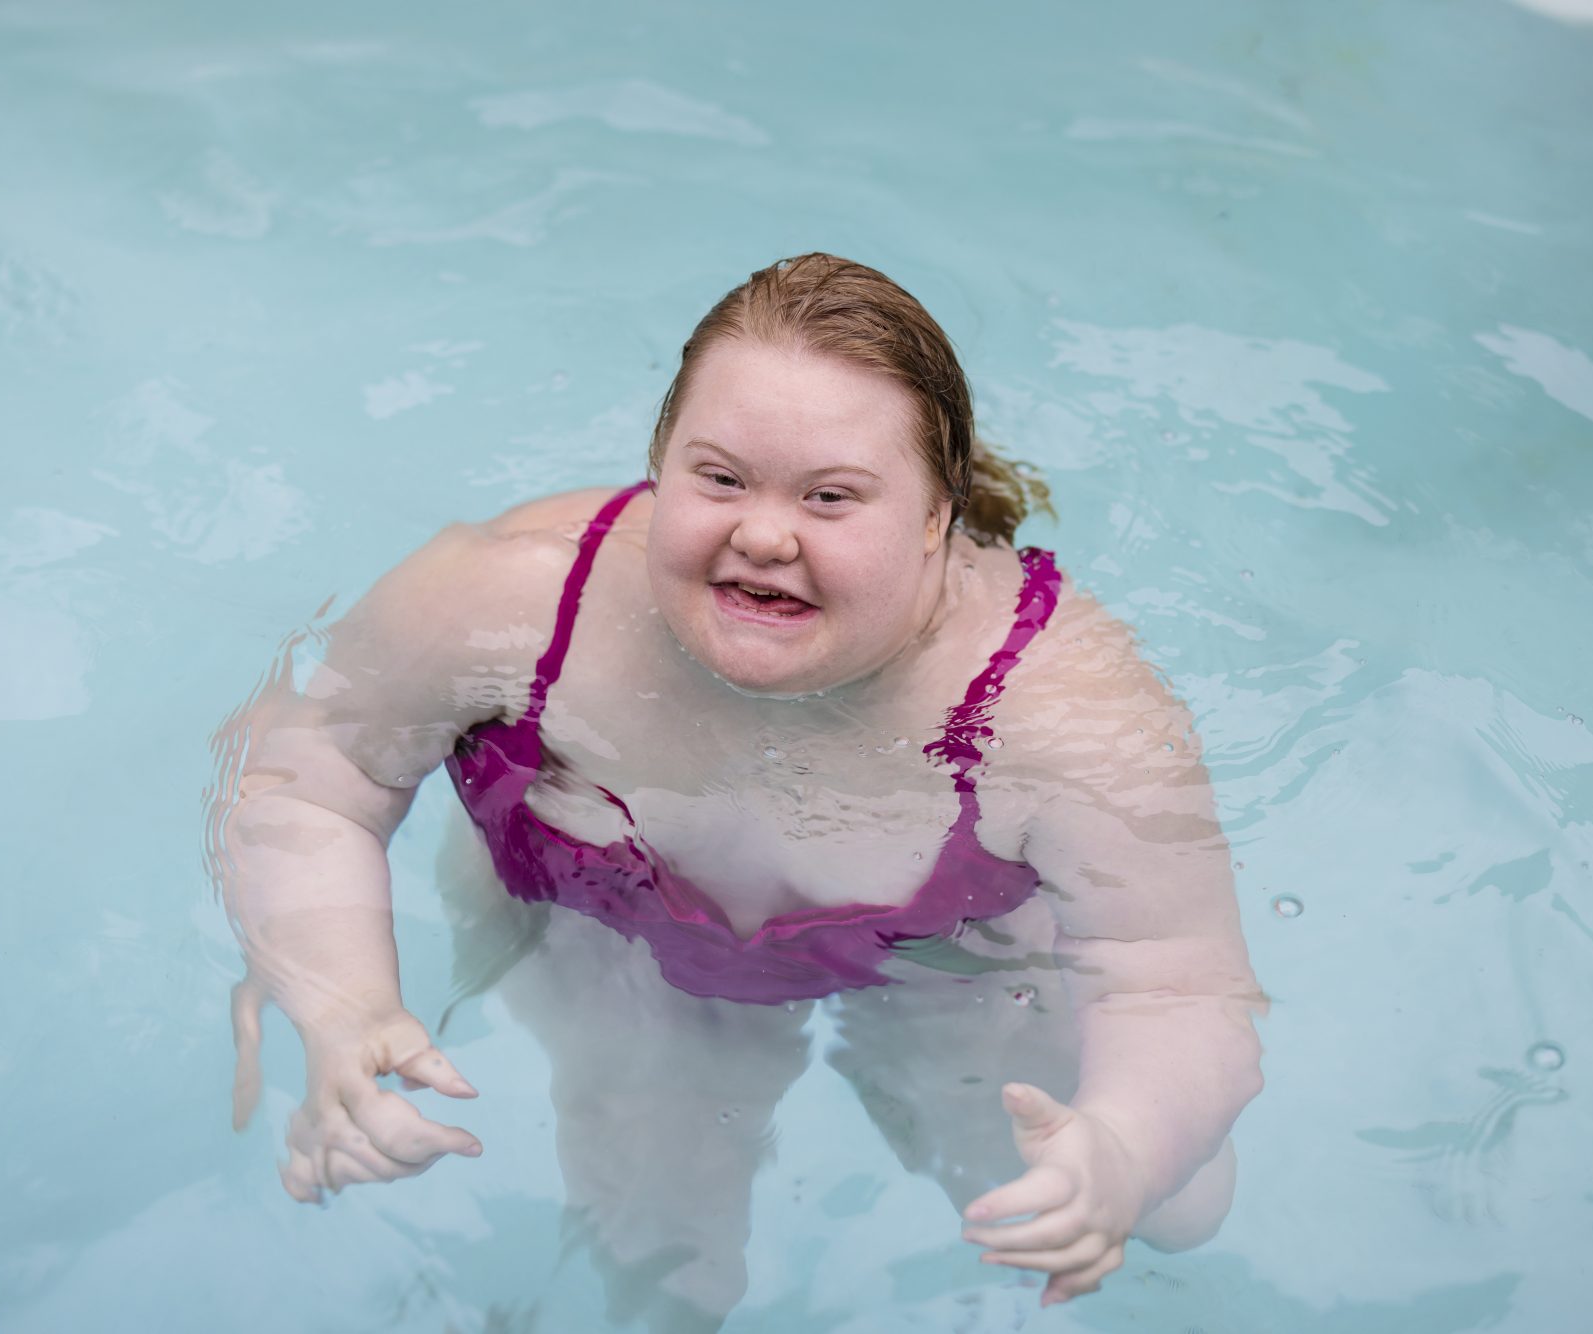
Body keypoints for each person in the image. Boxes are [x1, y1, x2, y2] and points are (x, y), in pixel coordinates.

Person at [217, 253, 1265, 1323]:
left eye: (830, 497)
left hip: (939, 956)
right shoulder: (509, 598)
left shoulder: (1057, 711)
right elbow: (312, 780)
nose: (762, 535)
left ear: (935, 517)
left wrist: (1124, 1144)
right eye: (719, 478)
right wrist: (343, 1007)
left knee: (1167, 1200)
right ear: (659, 464)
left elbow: (1177, 979)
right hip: (607, 932)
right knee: (665, 1268)